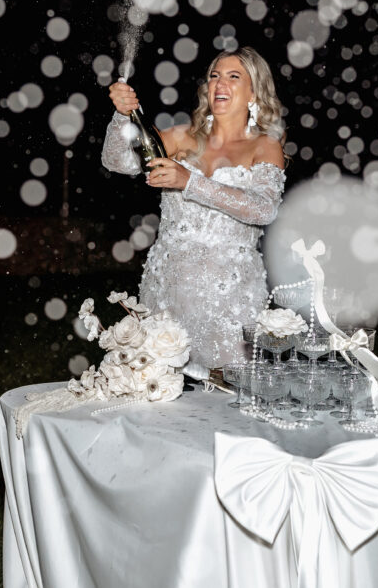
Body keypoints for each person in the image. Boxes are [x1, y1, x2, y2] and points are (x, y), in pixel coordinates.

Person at [102, 46, 287, 381]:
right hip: (168, 289)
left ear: (254, 91)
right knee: (159, 392)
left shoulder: (265, 146)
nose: (220, 84)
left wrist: (190, 181)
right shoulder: (181, 137)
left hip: (230, 299)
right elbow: (118, 162)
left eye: (234, 77)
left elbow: (263, 208)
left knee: (229, 400)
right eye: (215, 75)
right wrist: (122, 115)